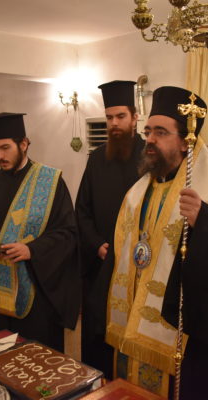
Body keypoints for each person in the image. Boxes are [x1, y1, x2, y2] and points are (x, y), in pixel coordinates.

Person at [105, 87, 208, 399]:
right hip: (133, 324)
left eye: (161, 132)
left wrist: (205, 224)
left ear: (186, 142)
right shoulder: (138, 193)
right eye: (148, 131)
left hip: (185, 338)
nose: (150, 140)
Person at [0, 112, 80, 352]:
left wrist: (31, 250)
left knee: (42, 359)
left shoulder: (51, 182)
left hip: (40, 290)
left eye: (5, 148)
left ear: (24, 144)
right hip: (2, 287)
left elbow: (67, 233)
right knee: (4, 355)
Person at [75, 80, 145, 379]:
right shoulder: (95, 158)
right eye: (109, 117)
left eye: (120, 116)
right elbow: (82, 210)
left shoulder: (151, 157)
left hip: (139, 265)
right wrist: (96, 244)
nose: (114, 123)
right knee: (98, 329)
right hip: (101, 261)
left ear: (135, 117)